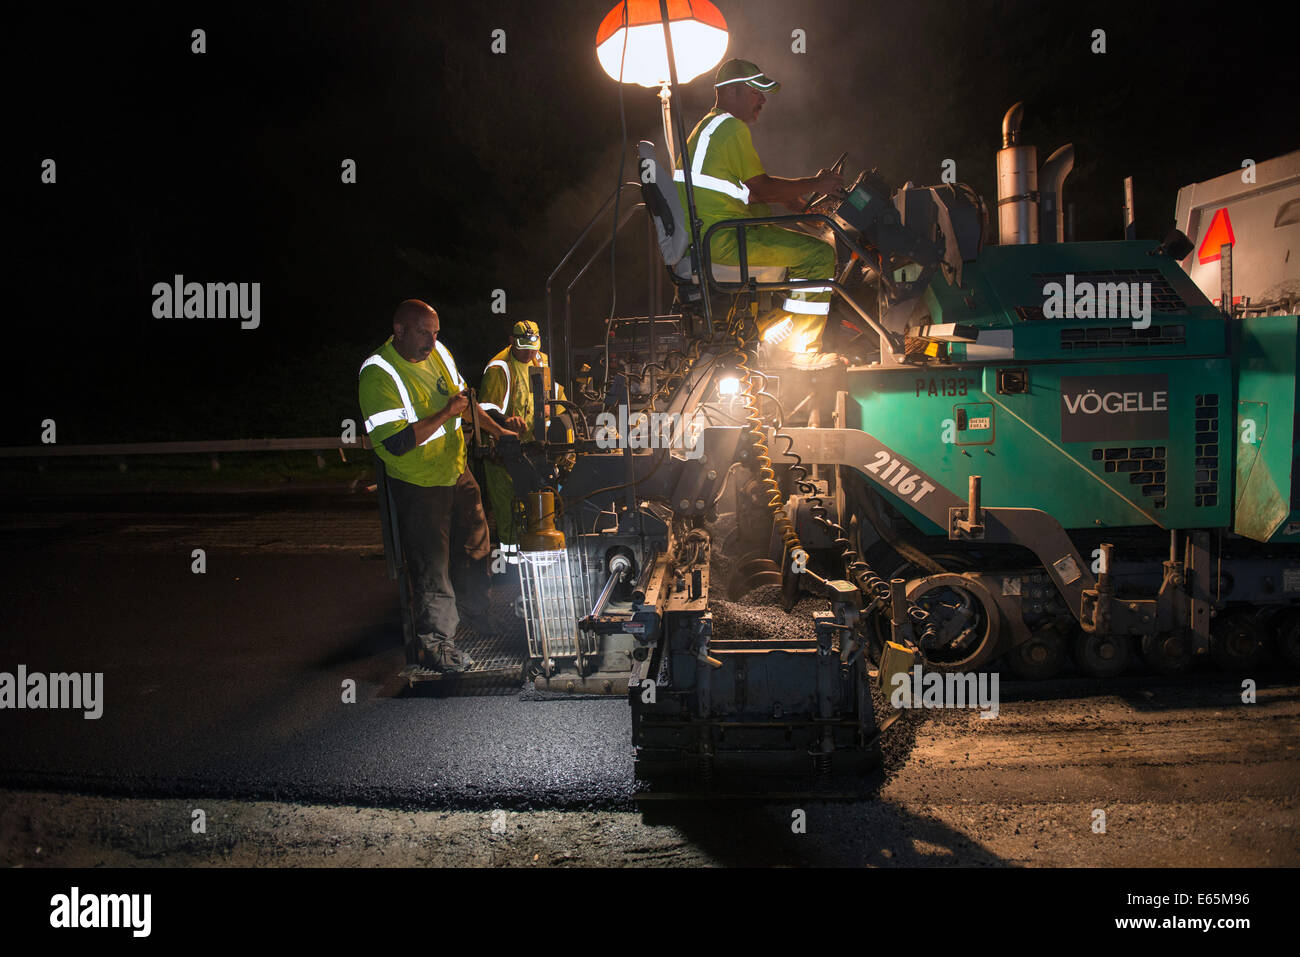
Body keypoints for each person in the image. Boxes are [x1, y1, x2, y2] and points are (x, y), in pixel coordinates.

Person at [358, 299, 517, 672]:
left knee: (476, 546)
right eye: (423, 333)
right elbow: (397, 442)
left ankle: (476, 613)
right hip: (418, 484)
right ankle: (436, 644)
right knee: (432, 565)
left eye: (436, 333)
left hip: (456, 470)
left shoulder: (440, 353)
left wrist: (501, 432)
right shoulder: (378, 372)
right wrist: (446, 413)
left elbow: (466, 402)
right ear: (399, 331)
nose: (432, 342)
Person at [674, 58, 843, 358]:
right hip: (720, 241)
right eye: (756, 91)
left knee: (765, 218)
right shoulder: (731, 128)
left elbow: (748, 193)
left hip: (705, 238)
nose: (763, 99)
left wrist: (785, 197)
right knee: (819, 254)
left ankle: (771, 323)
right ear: (731, 93)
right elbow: (761, 188)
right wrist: (815, 184)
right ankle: (801, 352)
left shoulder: (709, 127)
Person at [478, 320, 563, 562]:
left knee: (537, 505)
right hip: (503, 451)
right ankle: (513, 565)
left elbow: (556, 394)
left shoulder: (540, 360)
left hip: (533, 448)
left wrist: (552, 409)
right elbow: (485, 408)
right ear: (512, 342)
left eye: (533, 346)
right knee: (509, 508)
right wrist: (506, 421)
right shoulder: (499, 368)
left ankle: (538, 557)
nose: (529, 352)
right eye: (523, 346)